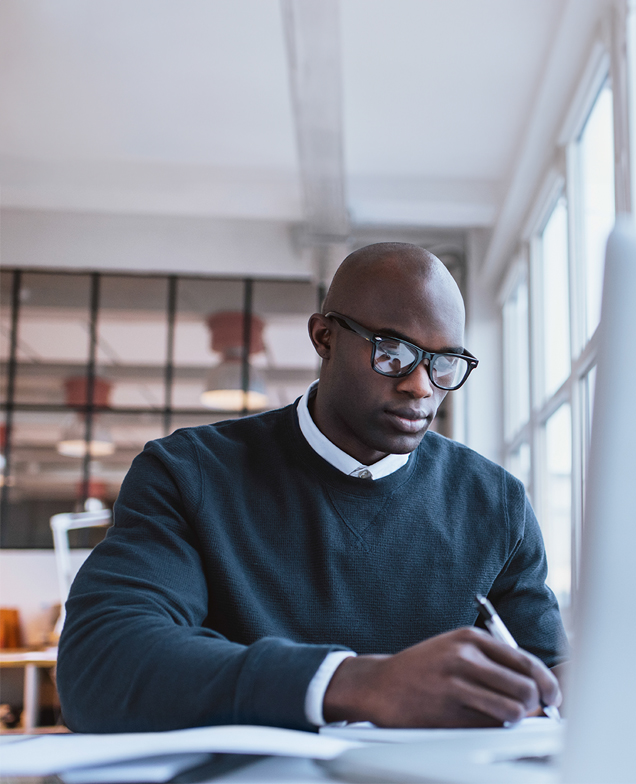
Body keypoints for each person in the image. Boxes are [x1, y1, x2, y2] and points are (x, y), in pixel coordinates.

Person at [57, 242, 568, 733]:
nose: (421, 386)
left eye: (445, 363)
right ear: (324, 337)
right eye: (392, 352)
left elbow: (551, 687)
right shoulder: (190, 473)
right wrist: (358, 683)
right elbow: (101, 663)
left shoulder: (495, 503)